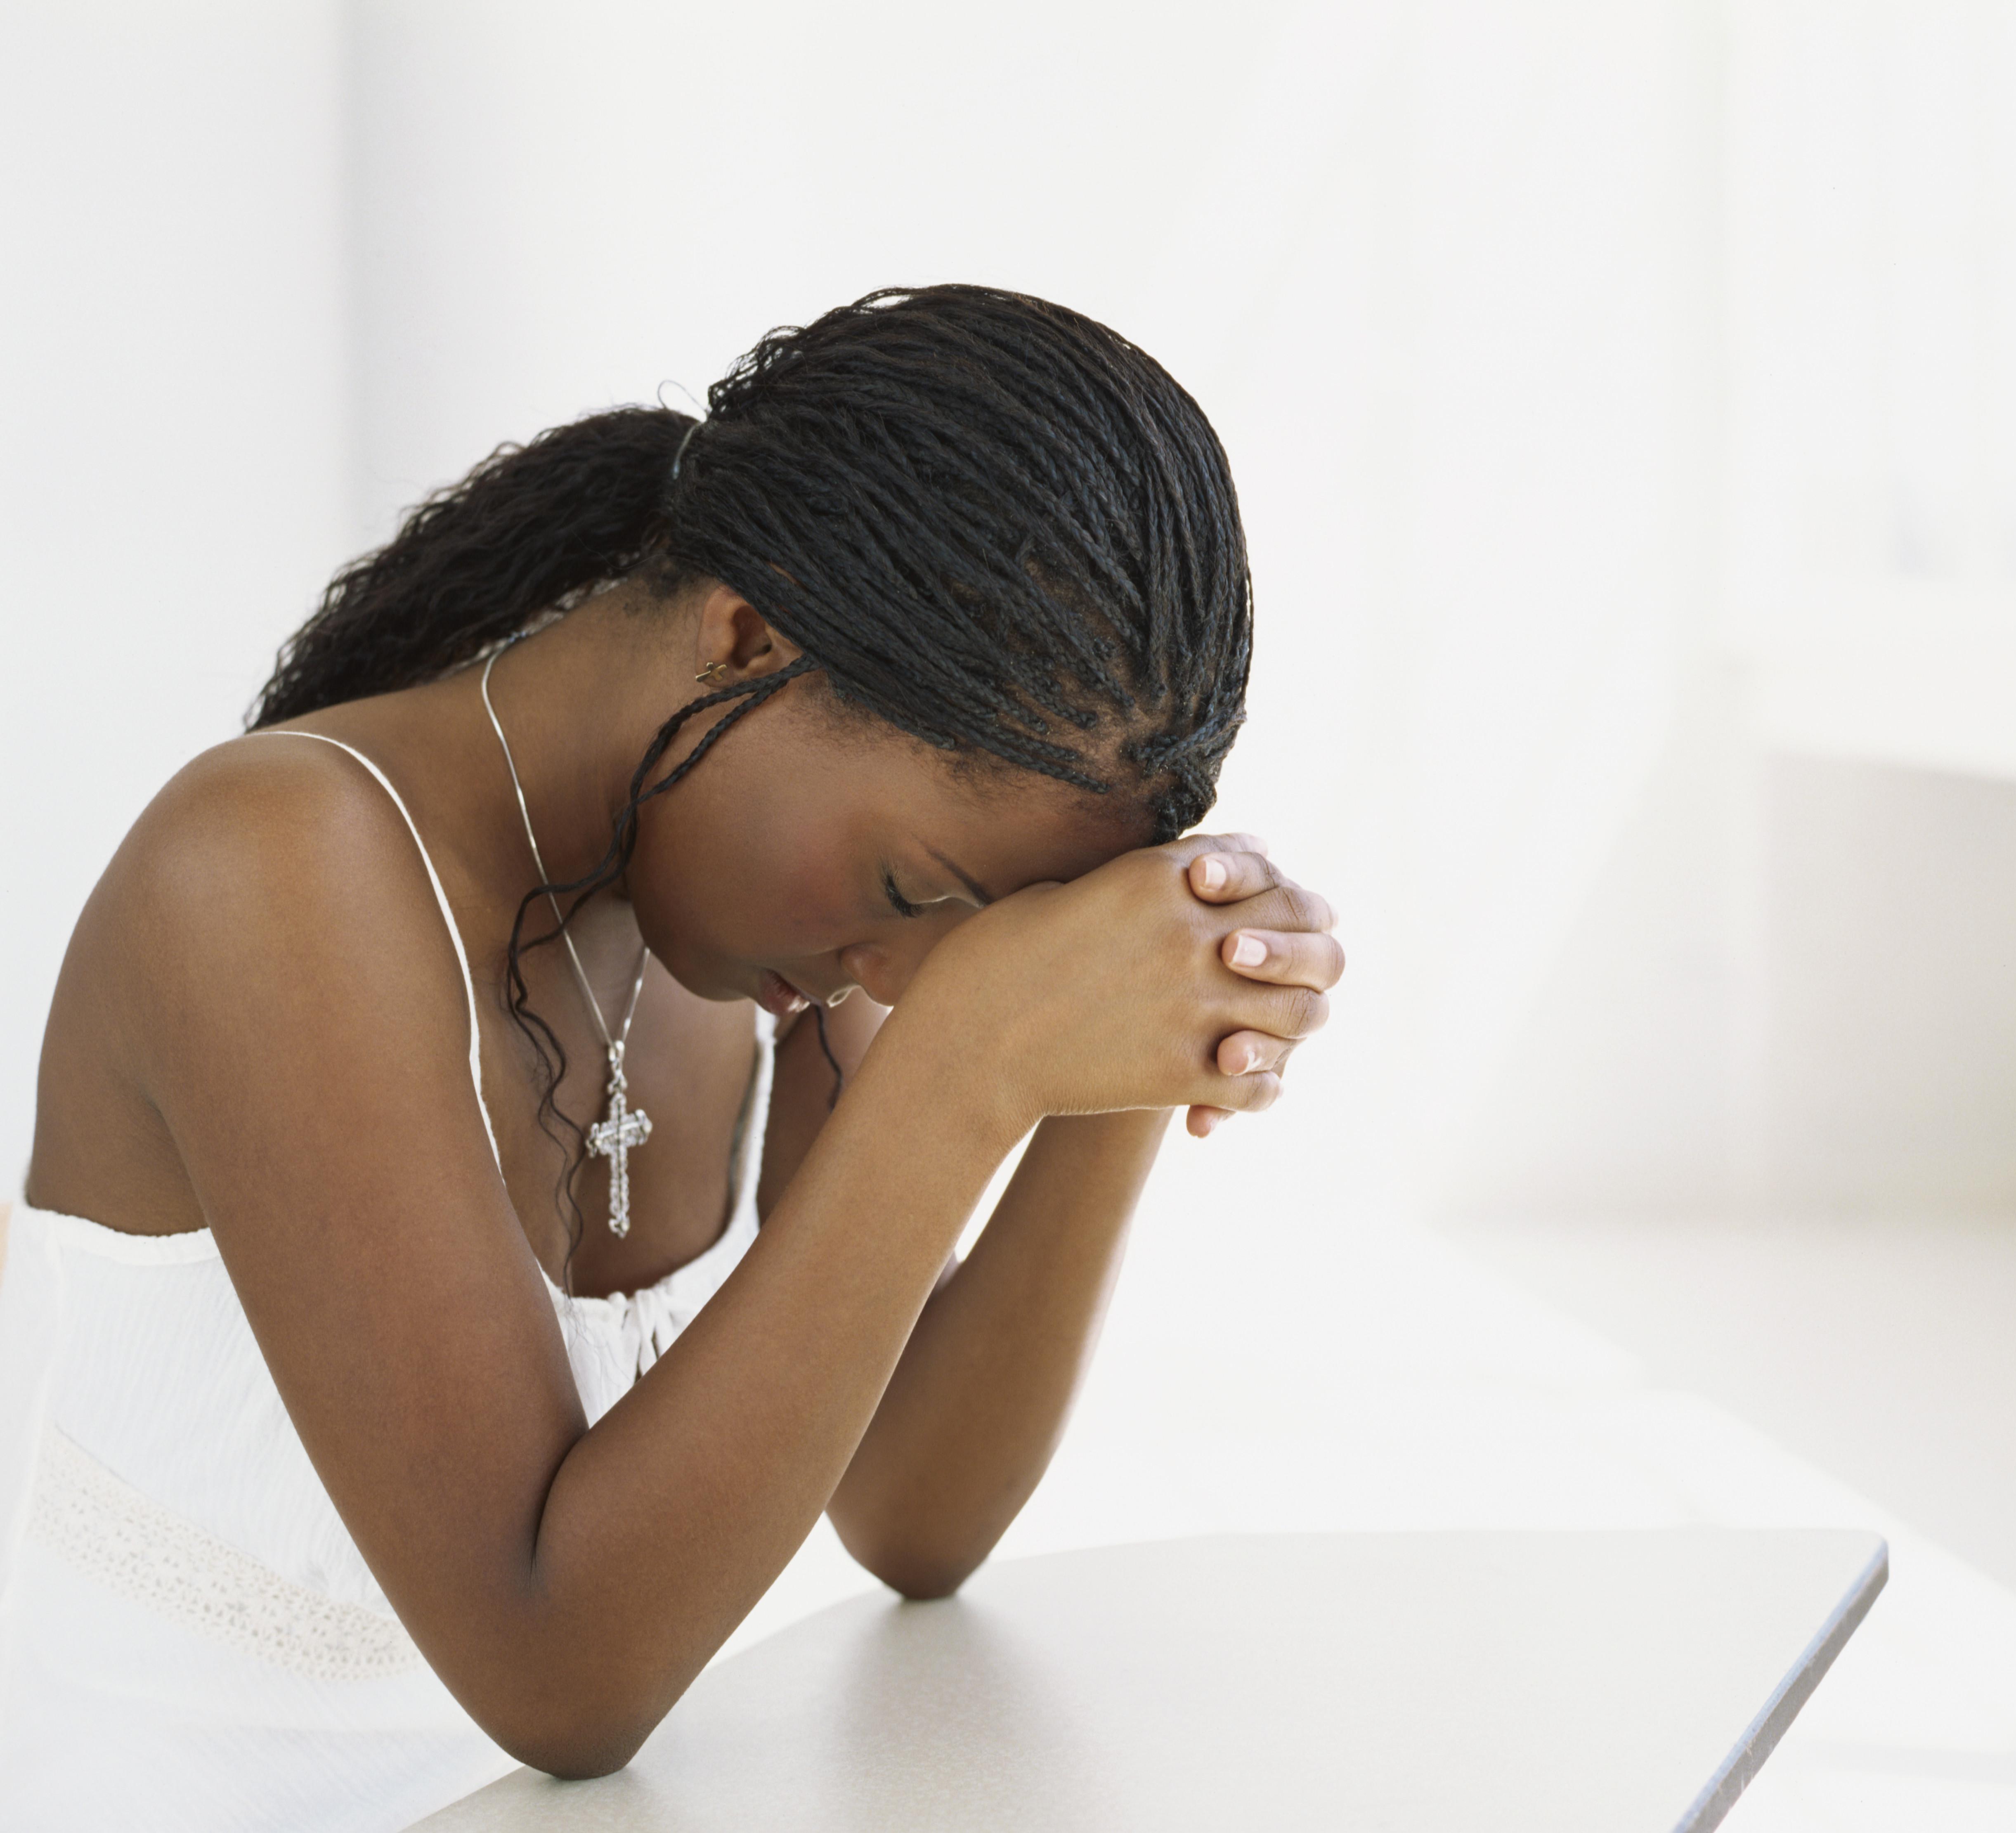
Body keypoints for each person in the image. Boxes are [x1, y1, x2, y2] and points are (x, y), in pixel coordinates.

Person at [0, 284, 1341, 1831]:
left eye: (979, 936)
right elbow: (560, 1676)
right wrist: (971, 1062)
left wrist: (1146, 1025)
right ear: (746, 637)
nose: (904, 978)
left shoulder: (759, 911)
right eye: (921, 897)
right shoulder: (272, 870)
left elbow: (915, 1507)